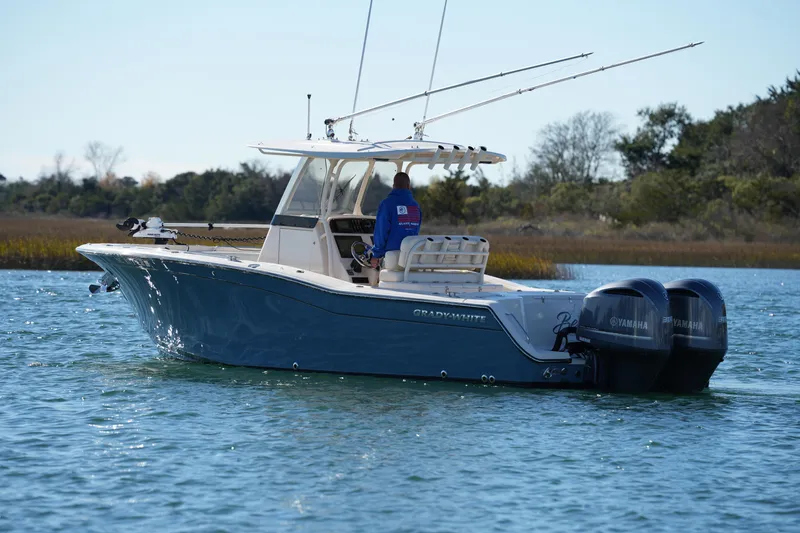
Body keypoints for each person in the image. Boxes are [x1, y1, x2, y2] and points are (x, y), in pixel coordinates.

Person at [370, 171, 422, 269]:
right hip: (411, 258)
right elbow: (416, 230)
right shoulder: (416, 206)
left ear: (393, 186)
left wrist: (376, 255)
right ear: (408, 186)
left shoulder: (387, 204)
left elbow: (381, 232)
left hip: (392, 258)